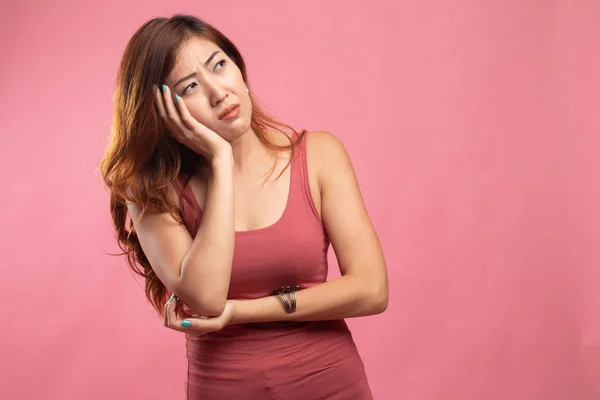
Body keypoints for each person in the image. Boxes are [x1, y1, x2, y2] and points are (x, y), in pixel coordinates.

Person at [99, 14, 388, 400]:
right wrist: (219, 159)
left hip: (332, 384)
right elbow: (206, 297)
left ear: (240, 69)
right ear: (165, 116)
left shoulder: (319, 155)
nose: (218, 92)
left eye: (219, 65)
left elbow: (371, 290)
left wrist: (243, 312)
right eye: (189, 88)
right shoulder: (153, 191)